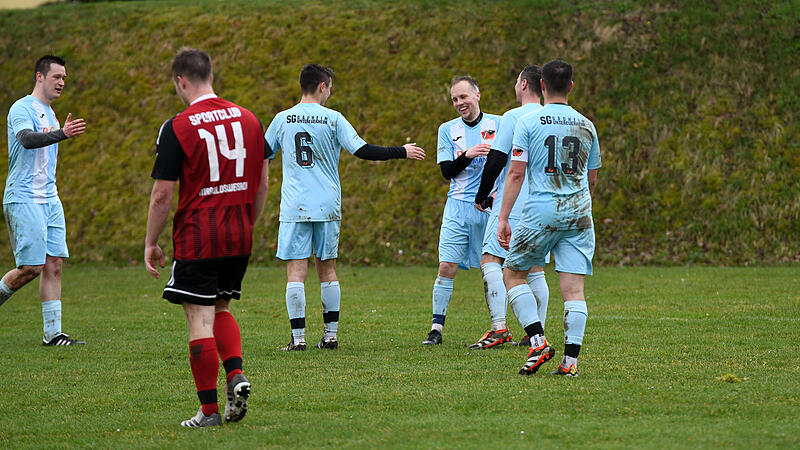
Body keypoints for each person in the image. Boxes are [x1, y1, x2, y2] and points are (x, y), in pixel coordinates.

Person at [145, 48, 271, 427]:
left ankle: (210, 412)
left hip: (200, 234)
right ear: (210, 74)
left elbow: (162, 193)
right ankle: (235, 374)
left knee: (198, 318)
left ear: (180, 81)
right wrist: (250, 220)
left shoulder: (177, 126)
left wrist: (150, 241)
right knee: (222, 308)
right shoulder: (249, 119)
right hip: (239, 232)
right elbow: (263, 179)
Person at [264, 63, 425, 351]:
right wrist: (401, 151)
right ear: (323, 86)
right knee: (327, 270)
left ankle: (298, 340)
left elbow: (263, 153)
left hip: (295, 205)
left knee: (296, 272)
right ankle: (330, 336)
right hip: (327, 205)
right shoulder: (333, 119)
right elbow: (362, 150)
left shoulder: (282, 119)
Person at [498, 59, 601, 376]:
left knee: (513, 275)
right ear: (571, 86)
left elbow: (516, 174)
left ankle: (538, 341)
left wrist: (503, 217)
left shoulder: (528, 122)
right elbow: (592, 178)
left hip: (540, 212)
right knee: (574, 291)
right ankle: (570, 363)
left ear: (541, 85)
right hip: (579, 213)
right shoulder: (586, 125)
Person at [0, 55, 86, 346]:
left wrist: (59, 130)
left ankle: (54, 335)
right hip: (24, 197)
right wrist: (61, 134)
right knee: (30, 268)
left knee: (54, 264)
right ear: (39, 76)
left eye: (64, 78)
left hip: (50, 199)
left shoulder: (51, 113)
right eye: (56, 77)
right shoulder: (21, 108)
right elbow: (25, 139)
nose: (62, 82)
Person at [470, 65, 549, 349]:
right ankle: (535, 331)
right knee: (535, 267)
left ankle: (498, 328)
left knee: (490, 260)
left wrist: (482, 195)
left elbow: (496, 159)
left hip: (513, 200)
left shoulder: (513, 116)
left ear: (524, 84)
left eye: (517, 81)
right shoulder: (550, 116)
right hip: (544, 202)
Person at [421, 76, 501, 346]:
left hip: (489, 207)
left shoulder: (499, 124)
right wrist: (467, 154)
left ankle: (498, 328)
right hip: (457, 206)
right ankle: (436, 329)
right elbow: (446, 171)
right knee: (446, 265)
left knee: (495, 268)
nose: (459, 103)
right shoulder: (447, 129)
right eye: (455, 99)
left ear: (477, 95)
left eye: (464, 97)